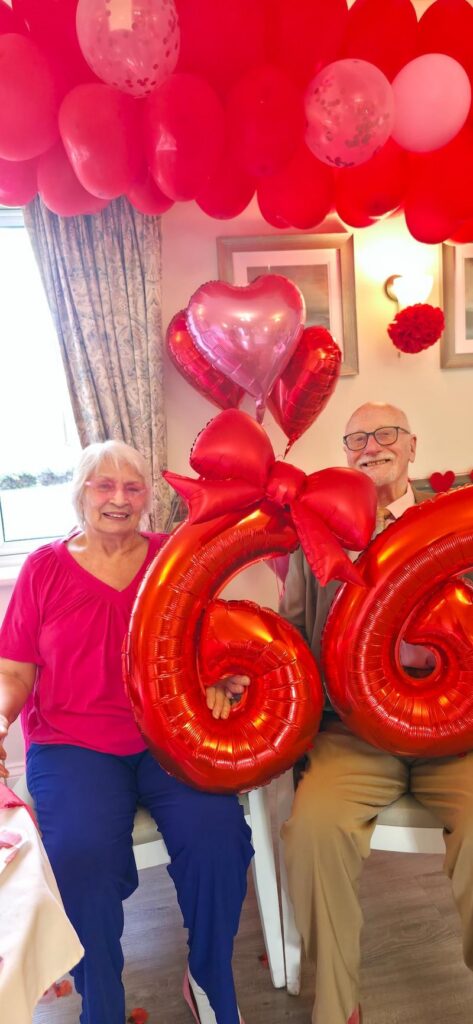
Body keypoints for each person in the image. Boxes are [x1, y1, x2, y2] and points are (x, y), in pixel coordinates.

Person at [0, 439, 253, 1024]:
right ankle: (102, 1005)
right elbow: (14, 672)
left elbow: (214, 639)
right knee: (80, 856)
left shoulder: (175, 558)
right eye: (104, 485)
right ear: (80, 494)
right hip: (73, 744)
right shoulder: (43, 569)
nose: (118, 498)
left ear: (147, 498)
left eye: (132, 487)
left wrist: (221, 676)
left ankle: (209, 975)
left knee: (217, 837)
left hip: (166, 734)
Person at [280, 402, 473, 1024]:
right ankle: (338, 1008)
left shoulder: (458, 522)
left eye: (386, 433)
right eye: (357, 438)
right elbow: (291, 634)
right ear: (345, 454)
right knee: (312, 830)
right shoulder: (321, 531)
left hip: (455, 737)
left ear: (412, 447)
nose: (372, 446)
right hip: (354, 735)